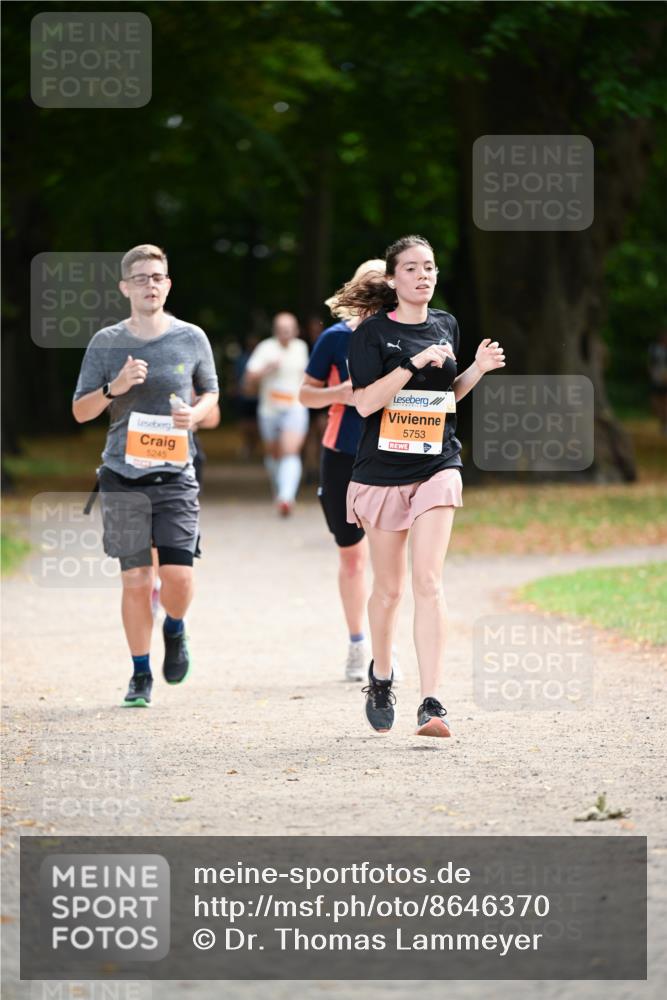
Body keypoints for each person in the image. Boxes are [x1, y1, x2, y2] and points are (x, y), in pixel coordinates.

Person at [338, 234, 505, 737]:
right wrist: (412, 364)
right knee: (388, 591)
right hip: (382, 473)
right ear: (393, 279)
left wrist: (475, 368)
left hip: (437, 464)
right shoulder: (370, 335)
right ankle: (382, 675)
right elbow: (365, 404)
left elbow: (446, 399)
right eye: (411, 268)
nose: (423, 275)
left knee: (428, 581)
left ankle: (432, 702)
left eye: (429, 267)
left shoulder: (446, 324)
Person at [72, 244, 219, 707]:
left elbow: (212, 396)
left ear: (168, 284)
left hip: (175, 475)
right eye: (141, 278)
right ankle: (140, 675)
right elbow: (80, 411)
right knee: (135, 580)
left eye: (157, 277)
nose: (150, 285)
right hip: (122, 475)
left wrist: (194, 416)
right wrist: (113, 387)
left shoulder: (191, 337)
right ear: (125, 288)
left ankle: (174, 628)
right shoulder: (106, 342)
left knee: (177, 576)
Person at [299, 259, 397, 682]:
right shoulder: (335, 339)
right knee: (353, 557)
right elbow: (305, 394)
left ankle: (384, 652)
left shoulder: (405, 336)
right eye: (369, 288)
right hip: (342, 454)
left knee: (389, 560)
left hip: (391, 454)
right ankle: (357, 642)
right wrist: (339, 392)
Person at [243, 312, 309, 516]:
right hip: (269, 409)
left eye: (289, 329)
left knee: (290, 450)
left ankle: (286, 497)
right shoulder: (266, 348)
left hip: (295, 407)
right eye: (281, 329)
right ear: (275, 330)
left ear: (296, 330)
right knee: (273, 453)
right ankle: (280, 488)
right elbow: (249, 377)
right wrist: (267, 368)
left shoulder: (301, 347)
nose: (285, 333)